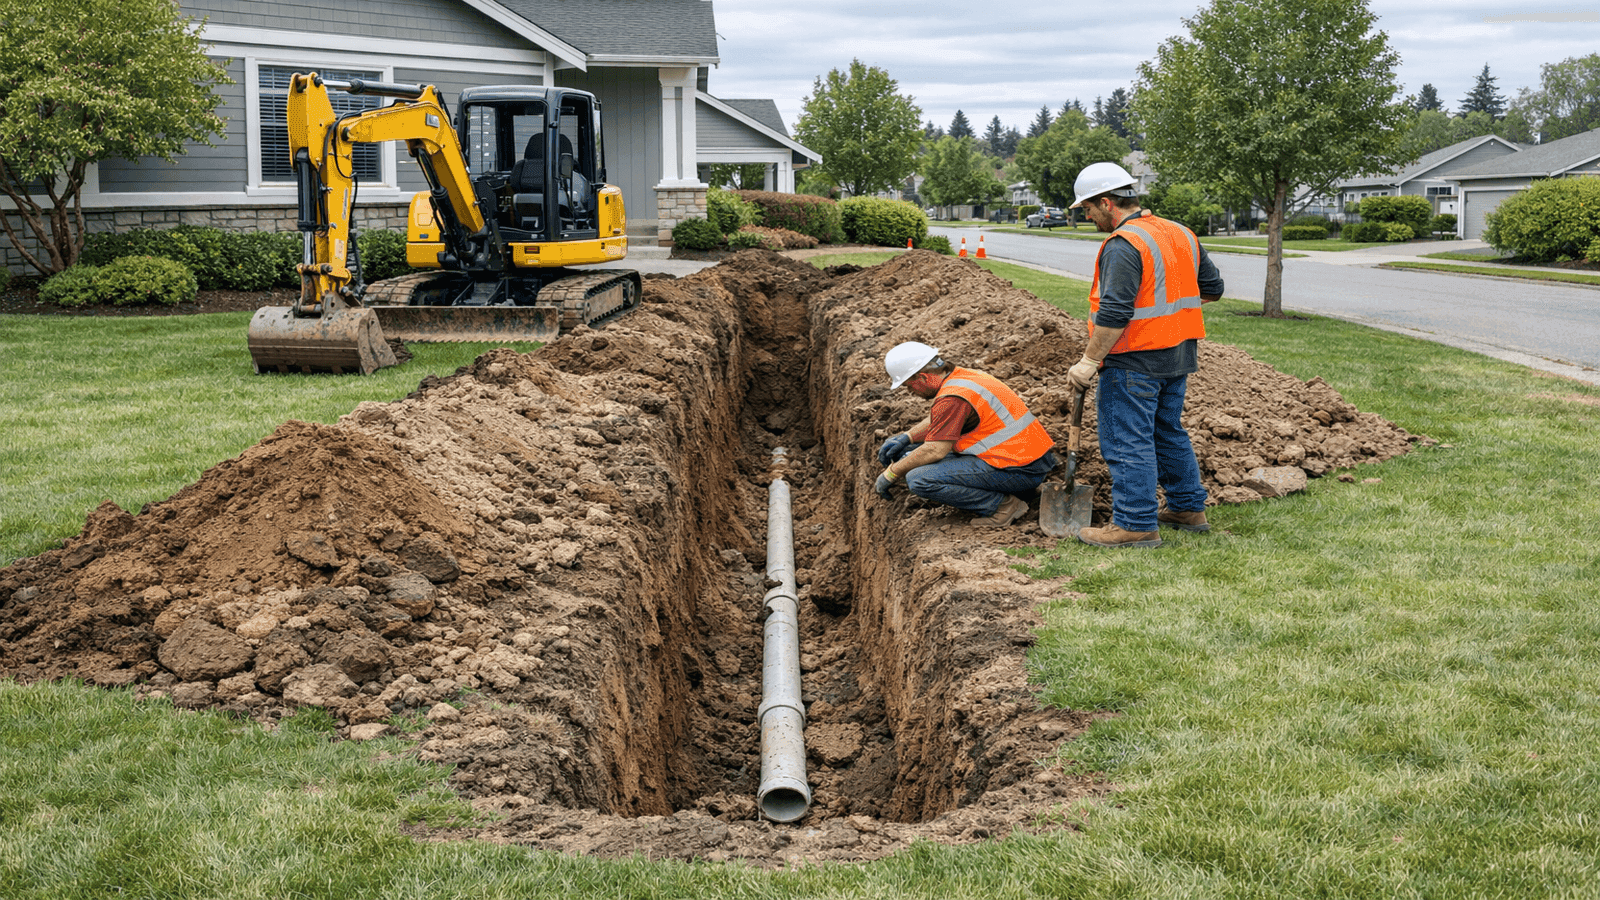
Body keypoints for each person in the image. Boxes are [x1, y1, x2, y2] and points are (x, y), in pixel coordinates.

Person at [1065, 162, 1224, 549]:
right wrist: (1168, 315)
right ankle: (1188, 508)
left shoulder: (1124, 244)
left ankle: (1135, 523)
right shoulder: (1179, 232)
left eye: (1088, 208)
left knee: (1126, 440)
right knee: (1166, 431)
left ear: (1108, 202)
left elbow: (1116, 311)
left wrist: (1088, 360)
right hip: (1178, 353)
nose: (1087, 216)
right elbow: (1213, 288)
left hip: (1135, 359)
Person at [874, 342, 1059, 528]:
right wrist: (908, 437)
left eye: (909, 386)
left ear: (922, 377)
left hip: (1019, 470)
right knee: (908, 453)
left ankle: (1003, 506)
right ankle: (1019, 491)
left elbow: (935, 450)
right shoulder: (962, 379)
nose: (910, 392)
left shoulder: (952, 399)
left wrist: (891, 473)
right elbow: (941, 421)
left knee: (919, 479)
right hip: (1024, 460)